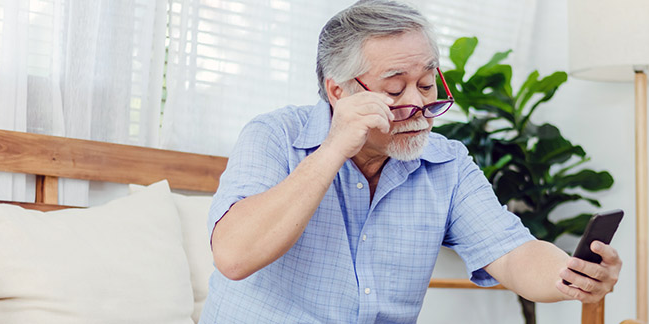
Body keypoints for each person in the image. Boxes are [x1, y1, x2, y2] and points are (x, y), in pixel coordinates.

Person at [200, 0, 622, 323]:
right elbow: (235, 256)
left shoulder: (446, 163)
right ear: (339, 92)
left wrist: (568, 275)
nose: (419, 104)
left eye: (425, 84)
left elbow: (511, 253)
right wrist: (333, 150)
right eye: (396, 88)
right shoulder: (275, 136)